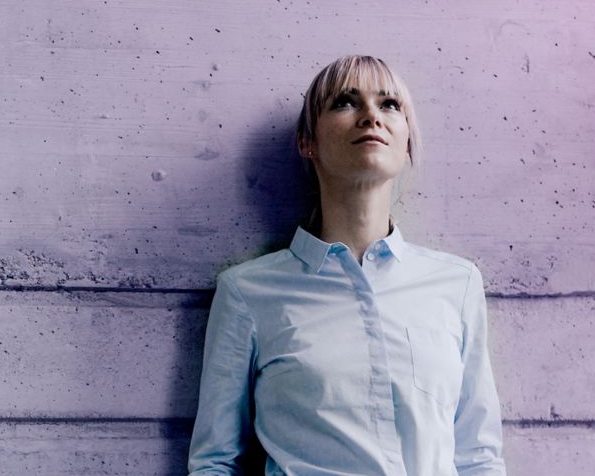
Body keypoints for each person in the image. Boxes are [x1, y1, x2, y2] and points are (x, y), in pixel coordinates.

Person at [187, 56, 507, 475]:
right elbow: (215, 462)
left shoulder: (456, 284)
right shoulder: (249, 292)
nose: (372, 115)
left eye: (390, 104)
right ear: (308, 142)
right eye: (345, 102)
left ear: (407, 141)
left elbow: (479, 457)